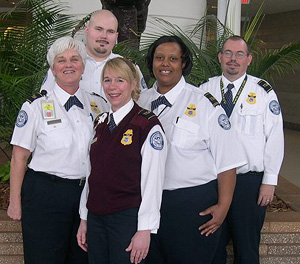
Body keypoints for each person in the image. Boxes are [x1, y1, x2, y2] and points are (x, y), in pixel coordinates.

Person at [137, 35, 247, 264]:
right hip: (145, 202)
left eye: (173, 59)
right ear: (151, 62)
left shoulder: (204, 104)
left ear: (183, 63)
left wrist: (223, 206)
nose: (165, 64)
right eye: (159, 58)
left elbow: (228, 161)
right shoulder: (139, 102)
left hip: (190, 205)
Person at [7, 36, 107, 264]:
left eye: (74, 59)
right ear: (53, 69)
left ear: (83, 66)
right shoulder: (35, 107)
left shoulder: (99, 105)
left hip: (86, 195)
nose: (68, 64)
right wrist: (15, 201)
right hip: (45, 194)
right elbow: (19, 157)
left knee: (82, 258)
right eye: (61, 60)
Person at [199, 35, 284, 264]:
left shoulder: (263, 92)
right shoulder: (203, 91)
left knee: (246, 249)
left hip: (248, 183)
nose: (233, 59)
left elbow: (275, 137)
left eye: (239, 54)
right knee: (212, 245)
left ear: (249, 59)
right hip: (211, 182)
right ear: (220, 57)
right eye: (228, 53)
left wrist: (269, 180)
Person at [77, 57, 167, 264]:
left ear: (133, 83)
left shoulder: (147, 125)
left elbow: (153, 181)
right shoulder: (100, 123)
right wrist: (84, 218)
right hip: (96, 218)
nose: (112, 87)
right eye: (107, 80)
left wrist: (145, 229)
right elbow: (92, 174)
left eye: (120, 80)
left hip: (127, 218)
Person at [41, 9, 148, 97]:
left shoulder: (129, 68)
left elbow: (142, 105)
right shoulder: (65, 66)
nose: (104, 36)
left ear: (116, 36)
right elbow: (45, 101)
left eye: (110, 31)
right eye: (99, 29)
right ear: (86, 30)